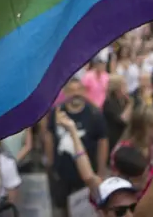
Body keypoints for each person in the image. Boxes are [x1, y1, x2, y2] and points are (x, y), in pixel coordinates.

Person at [55, 105, 153, 217]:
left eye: (134, 208)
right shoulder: (111, 189)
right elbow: (88, 176)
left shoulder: (146, 198)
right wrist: (73, 131)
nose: (129, 215)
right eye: (120, 212)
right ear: (101, 211)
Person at [41, 78, 108, 216]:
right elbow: (49, 135)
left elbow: (103, 141)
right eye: (71, 90)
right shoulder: (57, 112)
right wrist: (50, 161)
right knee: (62, 208)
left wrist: (101, 170)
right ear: (65, 93)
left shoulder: (94, 114)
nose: (76, 93)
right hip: (62, 172)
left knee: (85, 209)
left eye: (79, 89)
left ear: (84, 91)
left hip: (86, 174)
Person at [102, 75, 134, 151]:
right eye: (124, 85)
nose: (126, 87)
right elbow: (122, 120)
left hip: (123, 137)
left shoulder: (124, 100)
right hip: (113, 138)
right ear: (117, 88)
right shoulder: (109, 103)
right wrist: (130, 104)